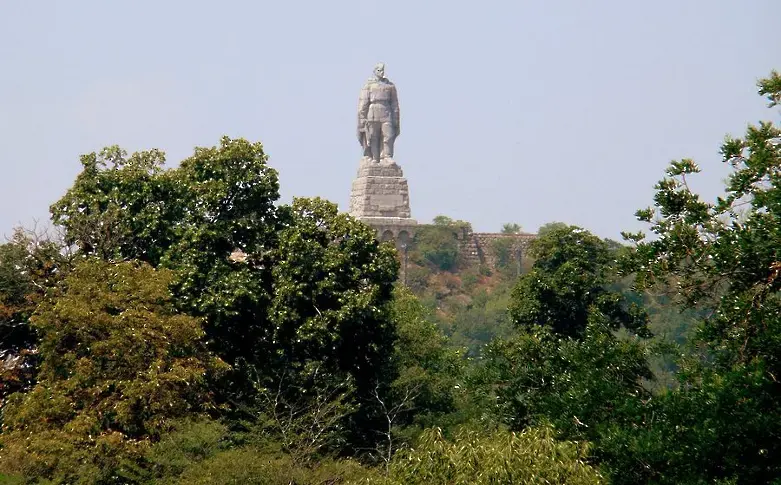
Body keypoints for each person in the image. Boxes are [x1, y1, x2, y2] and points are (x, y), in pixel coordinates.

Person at [357, 63, 400, 162]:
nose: (381, 72)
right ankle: (374, 157)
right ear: (375, 71)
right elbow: (363, 103)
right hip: (373, 113)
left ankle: (387, 156)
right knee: (373, 136)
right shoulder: (368, 86)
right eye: (379, 70)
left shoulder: (390, 86)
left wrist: (396, 118)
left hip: (386, 112)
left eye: (382, 70)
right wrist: (362, 118)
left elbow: (394, 104)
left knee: (388, 135)